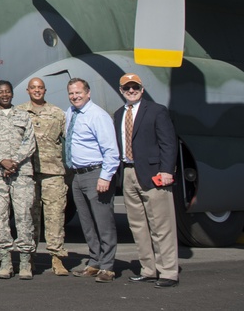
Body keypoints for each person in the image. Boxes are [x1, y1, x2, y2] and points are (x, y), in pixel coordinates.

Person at [113, 73, 179, 288]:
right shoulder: (118, 114)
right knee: (138, 226)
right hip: (129, 173)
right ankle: (148, 269)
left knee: (161, 225)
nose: (131, 91)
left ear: (142, 89)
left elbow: (168, 142)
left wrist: (167, 170)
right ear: (121, 90)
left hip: (153, 174)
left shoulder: (157, 111)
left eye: (135, 87)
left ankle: (168, 271)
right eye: (127, 88)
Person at [0, 80, 36, 280]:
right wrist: (2, 161)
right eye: (1, 92)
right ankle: (5, 260)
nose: (5, 95)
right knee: (0, 218)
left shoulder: (23, 116)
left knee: (23, 216)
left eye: (7, 92)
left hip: (21, 173)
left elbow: (30, 141)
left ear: (12, 94)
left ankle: (25, 261)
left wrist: (15, 162)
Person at [64, 77, 120, 283]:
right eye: (71, 93)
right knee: (86, 222)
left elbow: (111, 150)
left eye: (78, 92)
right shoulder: (71, 112)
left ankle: (108, 266)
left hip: (96, 174)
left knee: (103, 221)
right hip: (78, 175)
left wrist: (105, 177)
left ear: (88, 93)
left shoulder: (98, 115)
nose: (74, 96)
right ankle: (94, 262)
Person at [18, 77, 70, 276]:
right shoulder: (19, 112)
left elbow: (71, 138)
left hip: (53, 173)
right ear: (28, 90)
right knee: (29, 217)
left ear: (45, 90)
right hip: (27, 173)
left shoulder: (57, 113)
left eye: (40, 88)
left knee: (55, 216)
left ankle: (57, 258)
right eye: (33, 88)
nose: (37, 91)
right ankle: (29, 257)